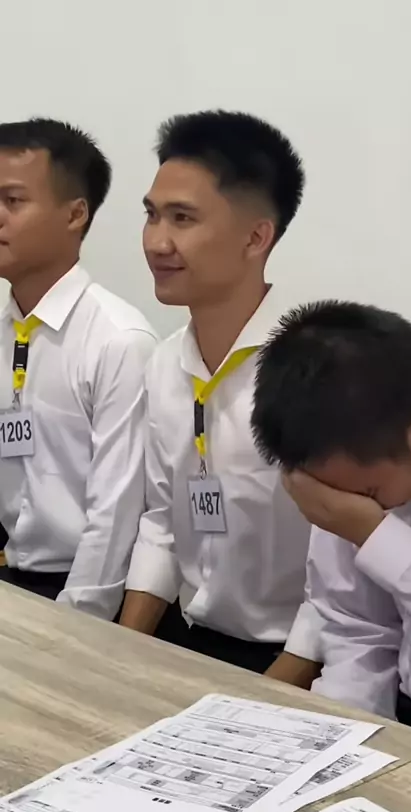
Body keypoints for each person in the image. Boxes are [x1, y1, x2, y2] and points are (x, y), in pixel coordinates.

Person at [120, 110, 317, 678]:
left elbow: (344, 575)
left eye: (182, 218)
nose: (157, 242)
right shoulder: (165, 363)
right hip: (185, 638)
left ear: (257, 237)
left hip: (292, 662)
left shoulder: (315, 373)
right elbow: (162, 521)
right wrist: (120, 655)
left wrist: (271, 693)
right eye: (152, 215)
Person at [251, 299, 411, 750]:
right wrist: (335, 746)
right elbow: (356, 630)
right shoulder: (346, 435)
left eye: (368, 495)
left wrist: (375, 535)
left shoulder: (380, 421)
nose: (349, 509)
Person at [0, 118, 157, 618]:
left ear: (75, 214)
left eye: (12, 200)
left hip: (82, 596)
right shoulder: (5, 329)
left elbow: (115, 515)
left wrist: (73, 627)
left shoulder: (119, 340)